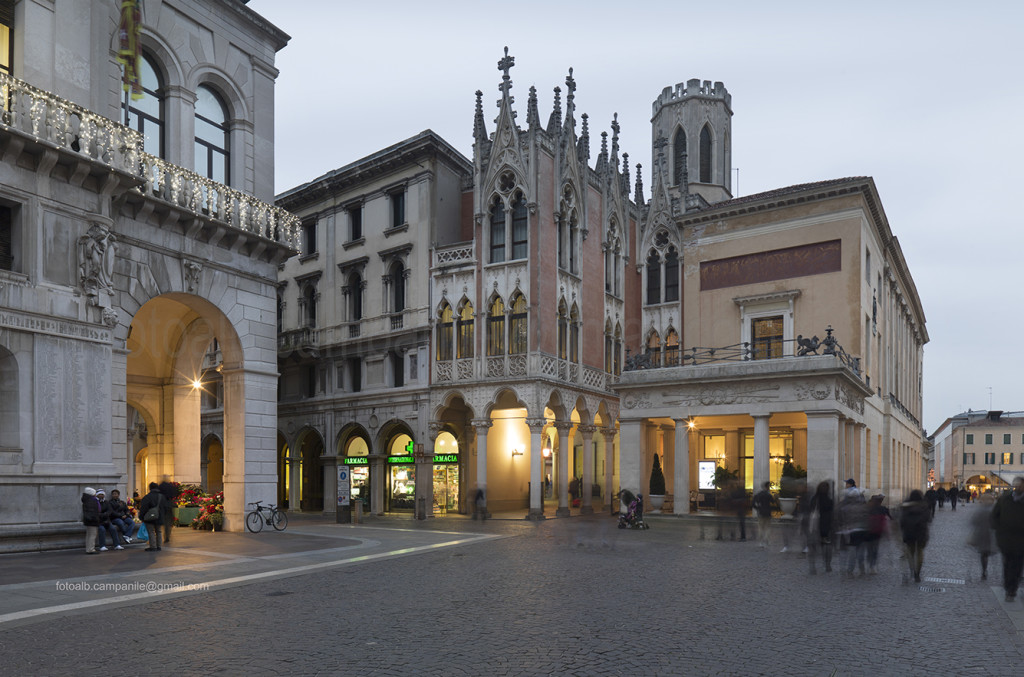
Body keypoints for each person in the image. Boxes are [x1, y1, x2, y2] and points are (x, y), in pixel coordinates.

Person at [990, 477, 1024, 602]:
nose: (1018, 487)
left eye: (1020, 485)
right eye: (1017, 485)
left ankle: (1012, 589)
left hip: (1021, 541)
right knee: (1007, 564)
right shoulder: (1005, 499)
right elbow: (994, 515)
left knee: (1017, 566)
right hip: (1006, 539)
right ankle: (1008, 587)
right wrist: (998, 529)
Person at [899, 489, 931, 583]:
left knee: (910, 552)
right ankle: (917, 573)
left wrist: (903, 530)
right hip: (921, 531)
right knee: (920, 552)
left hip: (909, 532)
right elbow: (928, 519)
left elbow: (902, 520)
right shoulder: (924, 506)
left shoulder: (905, 506)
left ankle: (912, 569)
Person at [839, 479, 868, 577]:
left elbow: (842, 517)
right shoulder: (863, 506)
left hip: (851, 530)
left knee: (852, 551)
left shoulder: (845, 507)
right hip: (861, 530)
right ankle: (861, 569)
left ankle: (850, 571)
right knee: (860, 551)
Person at [968, 492, 996, 581]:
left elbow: (973, 522)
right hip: (991, 534)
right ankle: (985, 570)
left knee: (983, 554)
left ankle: (984, 570)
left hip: (982, 534)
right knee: (987, 553)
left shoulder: (980, 510)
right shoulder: (994, 510)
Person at [808, 480, 834, 574]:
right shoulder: (829, 500)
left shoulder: (814, 499)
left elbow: (809, 512)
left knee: (813, 548)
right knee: (827, 547)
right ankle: (827, 565)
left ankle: (813, 566)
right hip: (825, 527)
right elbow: (832, 514)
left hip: (815, 527)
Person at [864, 494, 891, 574]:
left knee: (869, 549)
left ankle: (869, 563)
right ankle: (873, 566)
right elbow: (890, 519)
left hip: (868, 531)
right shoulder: (883, 509)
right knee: (875, 549)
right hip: (877, 532)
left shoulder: (867, 509)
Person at [139, 482, 168, 551]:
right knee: (159, 531)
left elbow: (143, 508)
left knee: (151, 531)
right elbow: (166, 507)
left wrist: (141, 516)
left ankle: (153, 546)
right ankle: (159, 546)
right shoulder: (162, 496)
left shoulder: (147, 497)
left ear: (150, 488)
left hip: (150, 517)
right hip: (160, 516)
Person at [752, 481, 774, 550]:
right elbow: (773, 502)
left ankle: (761, 542)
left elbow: (753, 503)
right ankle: (766, 540)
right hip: (767, 512)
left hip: (761, 512)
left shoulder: (759, 494)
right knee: (767, 527)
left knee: (761, 528)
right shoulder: (768, 495)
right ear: (767, 487)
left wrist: (758, 508)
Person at [158, 478, 179, 544]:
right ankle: (167, 535)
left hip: (162, 506)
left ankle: (162, 535)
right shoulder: (170, 487)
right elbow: (176, 493)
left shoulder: (160, 487)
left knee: (162, 521)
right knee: (168, 522)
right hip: (169, 505)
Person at [81, 487, 101, 554]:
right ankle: (91, 549)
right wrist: (95, 519)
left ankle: (89, 548)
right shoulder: (92, 500)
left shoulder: (87, 500)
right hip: (92, 520)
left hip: (88, 519)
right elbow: (94, 511)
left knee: (89, 535)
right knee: (92, 535)